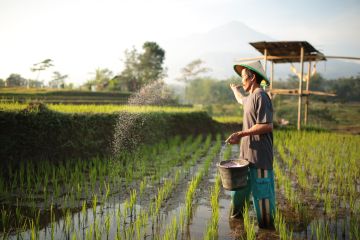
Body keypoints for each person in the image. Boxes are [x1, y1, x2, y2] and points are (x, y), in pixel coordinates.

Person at [225, 60, 275, 229]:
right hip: (245, 158)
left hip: (259, 157)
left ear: (252, 77)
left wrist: (241, 133)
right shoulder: (250, 98)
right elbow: (241, 100)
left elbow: (266, 125)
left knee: (262, 198)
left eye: (244, 78)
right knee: (239, 193)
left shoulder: (261, 96)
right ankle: (236, 226)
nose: (242, 81)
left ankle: (267, 230)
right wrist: (234, 90)